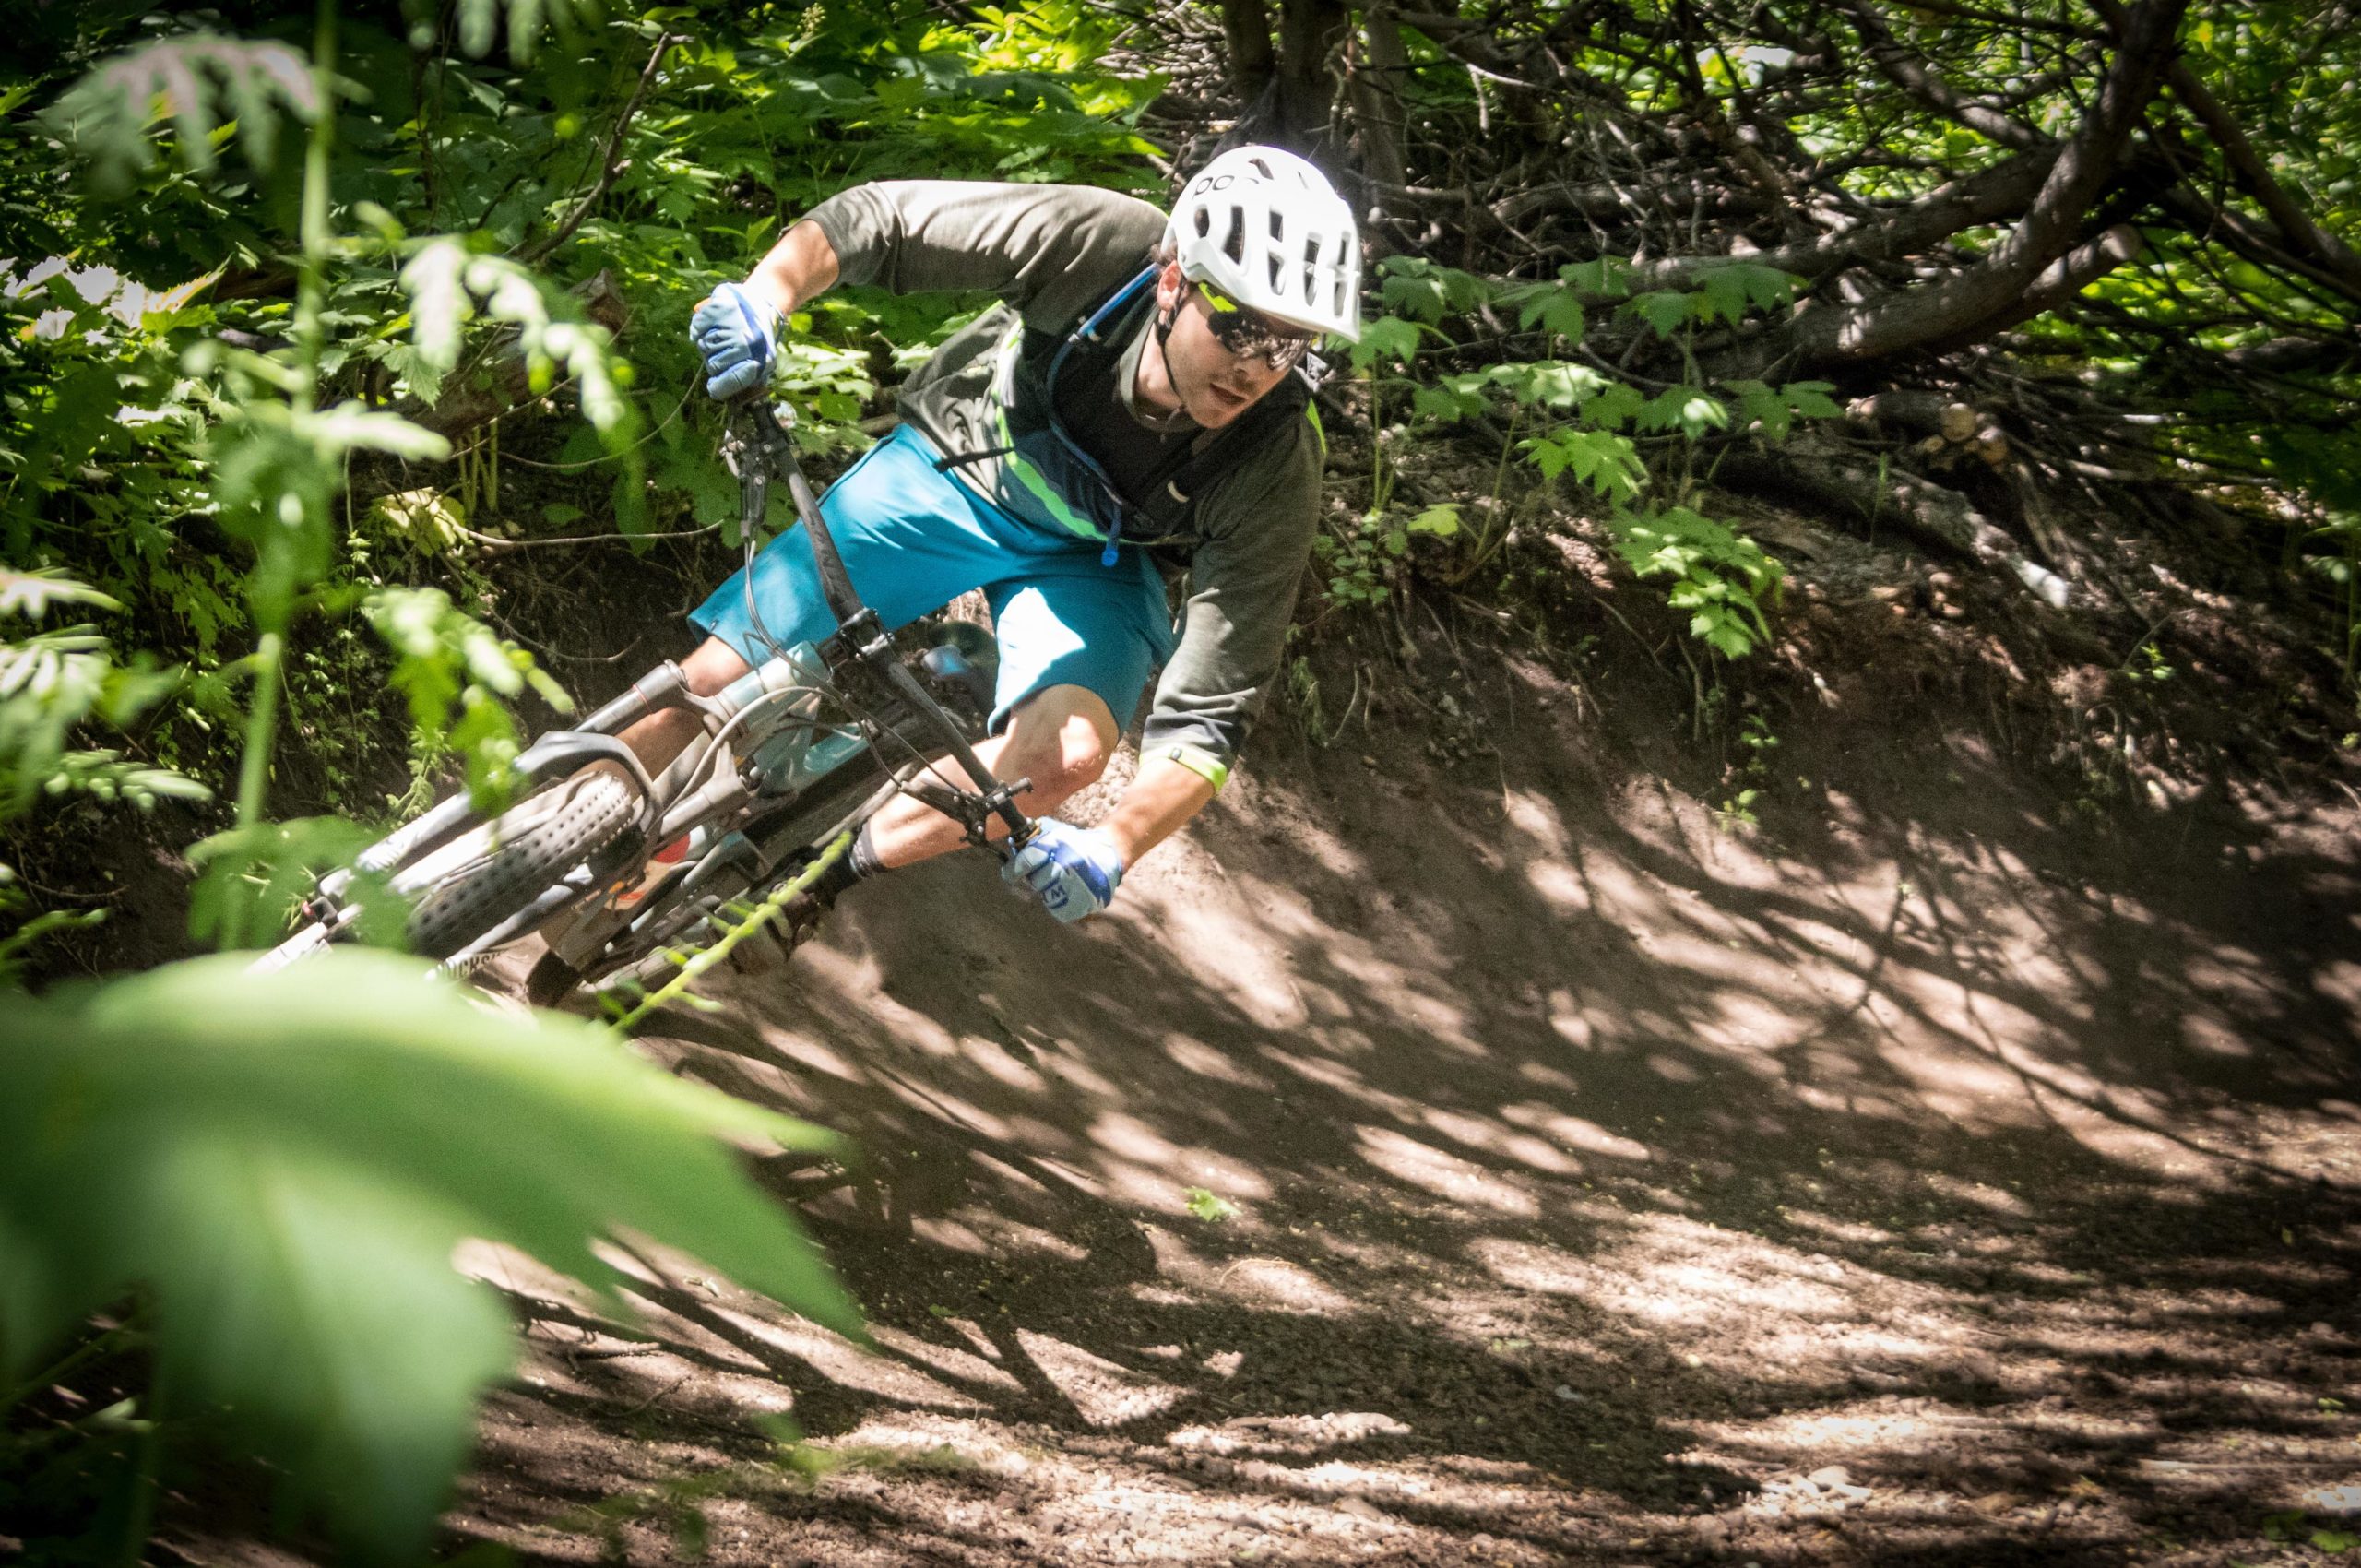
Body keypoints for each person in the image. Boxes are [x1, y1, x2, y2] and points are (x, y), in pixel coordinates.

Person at [633, 146, 1361, 926]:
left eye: (1289, 347)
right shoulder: (1104, 248)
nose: (1255, 368)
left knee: (1067, 758)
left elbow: (1211, 712)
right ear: (1173, 282)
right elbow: (886, 221)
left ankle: (814, 881)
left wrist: (1115, 845)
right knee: (715, 679)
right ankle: (551, 819)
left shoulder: (1276, 456)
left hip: (1100, 560)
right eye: (1241, 328)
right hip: (962, 466)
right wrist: (765, 295)